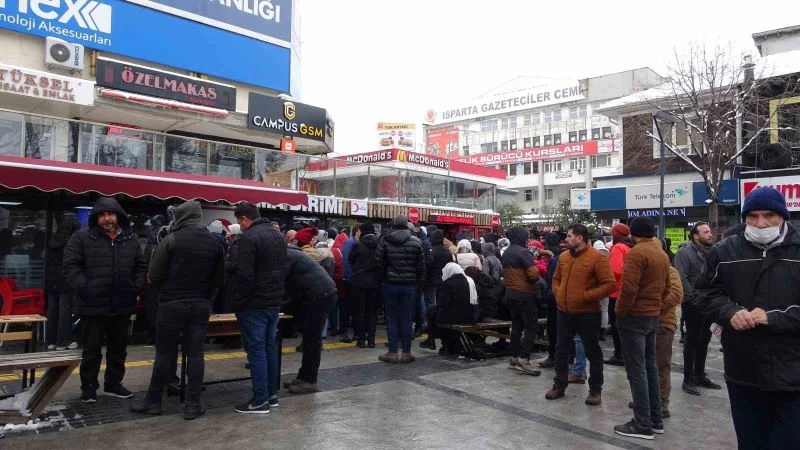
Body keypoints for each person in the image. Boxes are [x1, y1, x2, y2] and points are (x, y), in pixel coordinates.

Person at [696, 188, 800, 448]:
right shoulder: (723, 251)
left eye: (769, 215)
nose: (760, 223)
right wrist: (730, 312)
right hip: (744, 370)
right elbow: (704, 293)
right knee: (751, 443)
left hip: (794, 372)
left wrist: (772, 318)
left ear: (783, 216)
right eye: (752, 216)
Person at [130, 201, 225, 420]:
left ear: (180, 217)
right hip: (200, 305)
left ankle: (153, 401)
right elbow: (220, 279)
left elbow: (153, 276)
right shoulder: (214, 242)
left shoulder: (171, 239)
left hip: (171, 304)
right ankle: (192, 404)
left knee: (164, 354)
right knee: (195, 355)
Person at [63, 197, 147, 403]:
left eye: (110, 214)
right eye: (102, 215)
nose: (107, 219)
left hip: (122, 304)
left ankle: (113, 384)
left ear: (118, 216)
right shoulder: (81, 238)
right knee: (91, 350)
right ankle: (89, 386)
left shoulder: (130, 239)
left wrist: (135, 286)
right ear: (95, 218)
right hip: (92, 305)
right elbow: (71, 266)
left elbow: (140, 266)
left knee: (118, 349)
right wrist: (84, 287)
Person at [612, 217, 671, 440]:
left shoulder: (637, 253)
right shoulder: (661, 254)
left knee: (636, 370)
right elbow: (666, 287)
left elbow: (628, 288)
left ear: (633, 234)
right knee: (649, 367)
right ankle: (656, 420)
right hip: (652, 315)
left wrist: (620, 311)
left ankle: (642, 423)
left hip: (634, 316)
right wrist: (655, 305)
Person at [228, 202, 287, 414]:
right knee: (269, 348)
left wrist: (239, 302)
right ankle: (271, 396)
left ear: (244, 219)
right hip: (274, 302)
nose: (239, 225)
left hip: (254, 304)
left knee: (256, 351)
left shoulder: (249, 238)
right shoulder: (278, 236)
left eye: (238, 221)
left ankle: (260, 399)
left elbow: (245, 275)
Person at [546, 224, 616, 406]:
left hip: (587, 313)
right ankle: (559, 385)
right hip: (564, 311)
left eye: (569, 236)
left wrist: (586, 296)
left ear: (579, 238)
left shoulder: (597, 258)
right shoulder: (564, 257)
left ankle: (595, 390)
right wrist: (559, 293)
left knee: (593, 351)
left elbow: (609, 284)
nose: (566, 239)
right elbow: (556, 279)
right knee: (561, 350)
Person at [283, 239, 338, 394]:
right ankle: (303, 376)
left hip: (320, 295)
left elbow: (281, 282)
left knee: (313, 339)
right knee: (308, 338)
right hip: (319, 293)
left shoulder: (286, 255)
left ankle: (310, 380)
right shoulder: (291, 252)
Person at [674, 221, 720, 396]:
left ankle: (700, 374)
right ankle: (688, 378)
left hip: (709, 302)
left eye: (710, 231)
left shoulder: (713, 252)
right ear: (695, 236)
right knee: (692, 341)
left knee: (705, 340)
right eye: (706, 232)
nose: (710, 234)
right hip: (693, 304)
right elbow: (682, 277)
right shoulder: (684, 253)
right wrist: (693, 297)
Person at [375, 215, 425, 364]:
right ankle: (406, 353)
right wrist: (416, 282)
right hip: (409, 285)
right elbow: (421, 267)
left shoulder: (384, 240)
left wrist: (384, 279)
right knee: (407, 318)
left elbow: (378, 263)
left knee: (391, 318)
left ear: (393, 225)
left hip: (390, 284)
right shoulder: (416, 242)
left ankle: (392, 352)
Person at [501, 226, 541, 376]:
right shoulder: (523, 252)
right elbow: (533, 274)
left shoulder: (507, 252)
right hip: (525, 293)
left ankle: (514, 357)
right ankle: (524, 359)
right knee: (531, 326)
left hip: (510, 293)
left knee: (516, 326)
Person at [655, 239, 683, 419]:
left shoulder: (670, 270)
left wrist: (653, 307)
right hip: (645, 324)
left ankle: (662, 403)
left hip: (663, 324)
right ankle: (647, 397)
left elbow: (677, 295)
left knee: (661, 365)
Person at [423, 263, 477, 354]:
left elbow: (443, 303)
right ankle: (433, 339)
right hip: (469, 314)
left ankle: (434, 339)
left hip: (454, 316)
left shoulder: (448, 283)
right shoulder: (468, 281)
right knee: (434, 313)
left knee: (432, 314)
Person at [45, 218, 80, 350]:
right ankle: (63, 341)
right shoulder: (69, 244)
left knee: (52, 310)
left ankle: (50, 341)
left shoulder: (52, 242)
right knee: (65, 310)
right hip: (65, 279)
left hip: (51, 280)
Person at [419, 229, 453, 351]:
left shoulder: (431, 251)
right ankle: (442, 335)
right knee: (441, 309)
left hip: (431, 284)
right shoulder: (447, 252)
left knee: (431, 309)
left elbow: (426, 266)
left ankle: (431, 334)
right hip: (444, 284)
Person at [349, 223, 380, 348]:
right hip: (374, 283)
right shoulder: (379, 245)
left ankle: (361, 340)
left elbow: (350, 260)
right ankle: (371, 340)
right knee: (372, 312)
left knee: (359, 311)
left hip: (359, 282)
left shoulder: (358, 246)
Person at [605, 223, 632, 366]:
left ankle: (618, 355)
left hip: (616, 293)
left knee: (616, 326)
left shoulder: (618, 247)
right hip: (627, 291)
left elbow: (616, 270)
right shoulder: (629, 247)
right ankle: (625, 353)